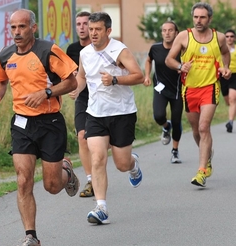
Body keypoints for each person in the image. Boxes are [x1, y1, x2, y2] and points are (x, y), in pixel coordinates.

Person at [0, 9, 79, 246]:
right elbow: (2, 81)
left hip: (50, 123)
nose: (17, 32)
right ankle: (32, 239)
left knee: (51, 185)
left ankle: (66, 173)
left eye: (22, 27)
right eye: (13, 28)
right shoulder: (5, 55)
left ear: (33, 28)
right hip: (22, 124)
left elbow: (72, 82)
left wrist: (47, 93)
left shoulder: (48, 51)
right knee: (23, 179)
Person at [73, 12, 144, 225]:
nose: (92, 33)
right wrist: (75, 89)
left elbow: (138, 76)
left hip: (122, 113)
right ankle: (101, 207)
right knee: (97, 158)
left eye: (97, 29)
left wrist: (115, 79)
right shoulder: (85, 53)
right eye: (91, 29)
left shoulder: (119, 50)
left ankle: (133, 165)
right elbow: (82, 76)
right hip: (95, 113)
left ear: (108, 31)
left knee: (121, 163)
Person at [165, 2, 231, 187]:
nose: (198, 21)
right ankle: (207, 156)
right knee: (196, 131)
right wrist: (180, 66)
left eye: (202, 17)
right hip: (190, 89)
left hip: (210, 87)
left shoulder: (218, 38)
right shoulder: (184, 36)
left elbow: (225, 53)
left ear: (209, 18)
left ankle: (201, 171)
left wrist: (225, 68)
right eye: (196, 17)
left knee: (204, 127)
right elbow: (169, 59)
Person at [143, 21, 183, 163]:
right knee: (159, 116)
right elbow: (148, 60)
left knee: (177, 120)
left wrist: (182, 68)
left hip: (178, 90)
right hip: (160, 88)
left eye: (170, 30)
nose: (167, 33)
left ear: (176, 33)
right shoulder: (155, 48)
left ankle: (175, 151)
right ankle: (166, 126)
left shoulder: (182, 50)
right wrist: (147, 75)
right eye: (164, 30)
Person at [66, 11, 94, 197]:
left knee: (106, 142)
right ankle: (91, 180)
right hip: (83, 97)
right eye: (79, 24)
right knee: (82, 136)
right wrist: (71, 86)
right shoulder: (72, 50)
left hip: (103, 96)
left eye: (86, 24)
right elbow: (69, 75)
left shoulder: (100, 46)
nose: (82, 28)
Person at [220, 29, 236, 133]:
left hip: (235, 75)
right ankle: (233, 111)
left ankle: (230, 122)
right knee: (228, 101)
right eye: (227, 36)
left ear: (234, 38)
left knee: (232, 98)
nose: (229, 38)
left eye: (231, 36)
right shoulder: (220, 50)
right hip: (223, 76)